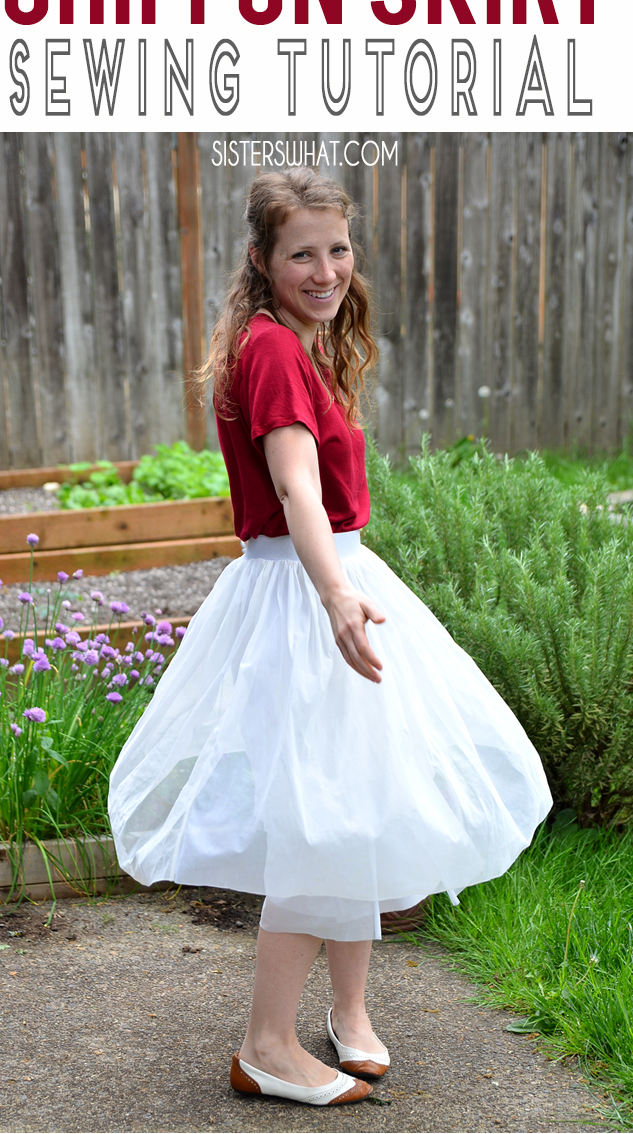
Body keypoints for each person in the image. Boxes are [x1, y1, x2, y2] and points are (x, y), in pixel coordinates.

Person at [109, 168, 552, 1109]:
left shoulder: (299, 345)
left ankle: (347, 1015)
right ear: (262, 263)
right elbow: (298, 492)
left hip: (324, 583)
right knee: (326, 819)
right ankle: (266, 1044)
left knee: (355, 804)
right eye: (300, 253)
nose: (324, 269)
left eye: (337, 249)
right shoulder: (271, 352)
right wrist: (336, 595)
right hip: (305, 596)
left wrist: (343, 583)